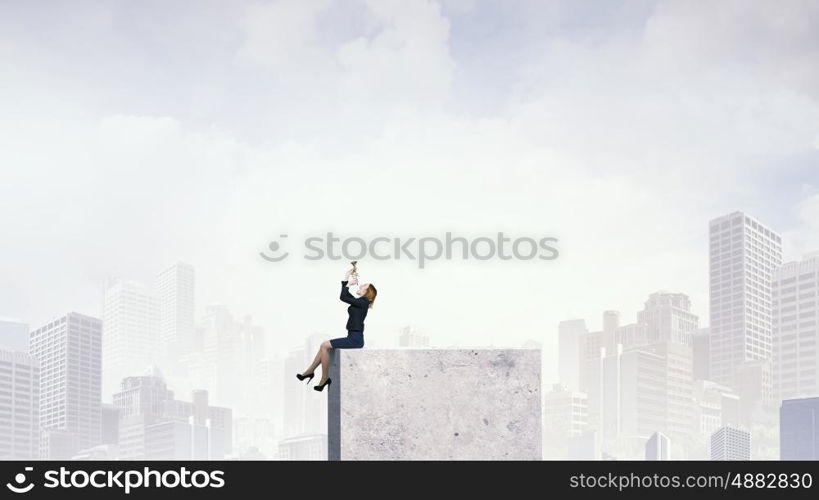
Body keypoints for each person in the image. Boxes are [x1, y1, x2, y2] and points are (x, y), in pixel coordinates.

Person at [297, 264, 378, 391]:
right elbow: (346, 296)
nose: (361, 286)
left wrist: (348, 284)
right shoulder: (359, 303)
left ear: (367, 292)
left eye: (363, 286)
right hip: (352, 337)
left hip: (355, 339)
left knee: (324, 345)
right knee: (324, 348)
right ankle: (310, 371)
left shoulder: (363, 303)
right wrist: (347, 278)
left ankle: (324, 378)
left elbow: (343, 297)